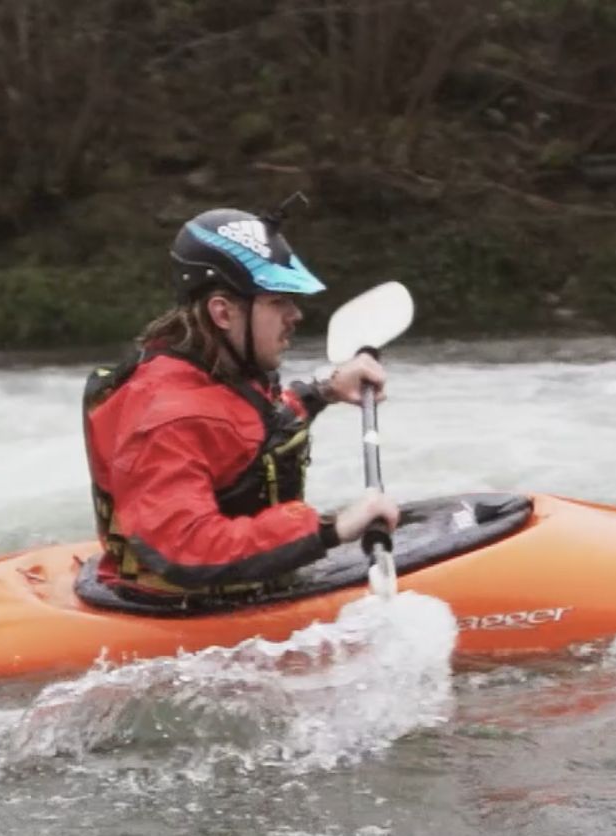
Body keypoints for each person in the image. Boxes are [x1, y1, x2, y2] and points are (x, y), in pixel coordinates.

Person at [82, 202, 401, 606]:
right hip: (180, 616)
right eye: (277, 301)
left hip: (241, 590)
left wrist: (324, 390)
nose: (296, 314)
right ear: (222, 312)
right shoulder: (165, 416)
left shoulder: (214, 370)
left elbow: (245, 436)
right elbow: (187, 547)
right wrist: (330, 529)